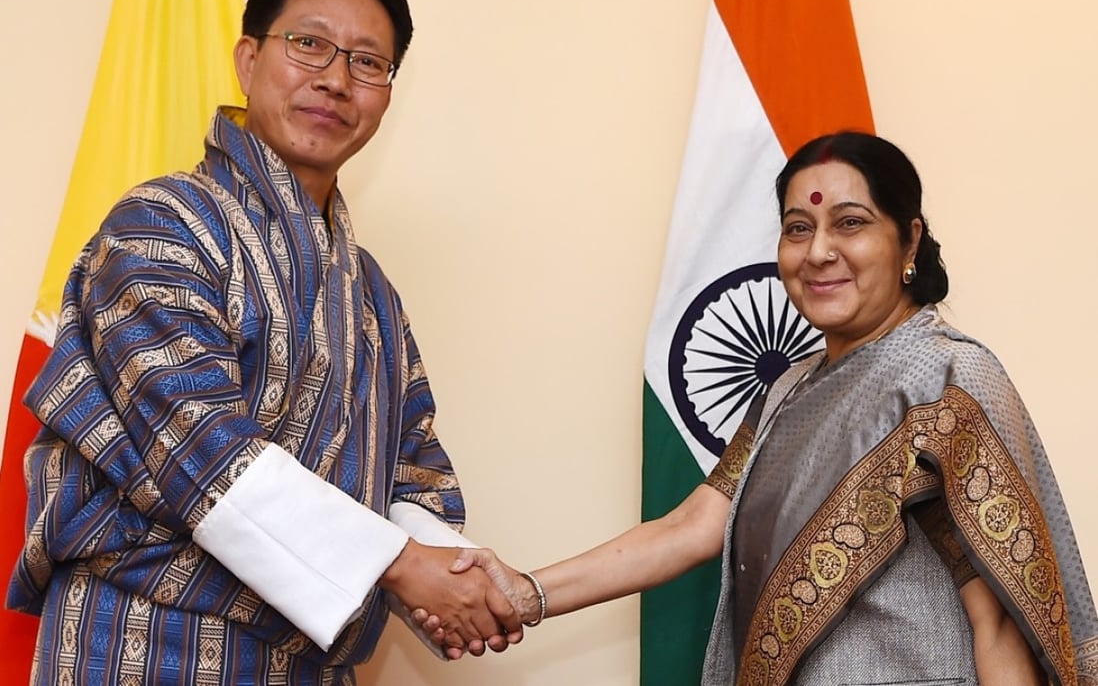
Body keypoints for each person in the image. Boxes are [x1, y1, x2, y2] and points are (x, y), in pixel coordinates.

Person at [5, 0, 519, 683]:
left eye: (368, 62)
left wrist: (457, 574)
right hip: (141, 646)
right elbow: (205, 453)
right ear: (248, 59)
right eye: (308, 44)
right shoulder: (159, 226)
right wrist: (405, 568)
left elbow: (411, 477)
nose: (336, 79)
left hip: (308, 663)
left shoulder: (372, 294)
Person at [423, 132, 1098, 684]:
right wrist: (524, 592)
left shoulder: (947, 372)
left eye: (851, 224)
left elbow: (1005, 616)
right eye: (797, 228)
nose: (819, 251)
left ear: (909, 241)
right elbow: (690, 528)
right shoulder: (789, 387)